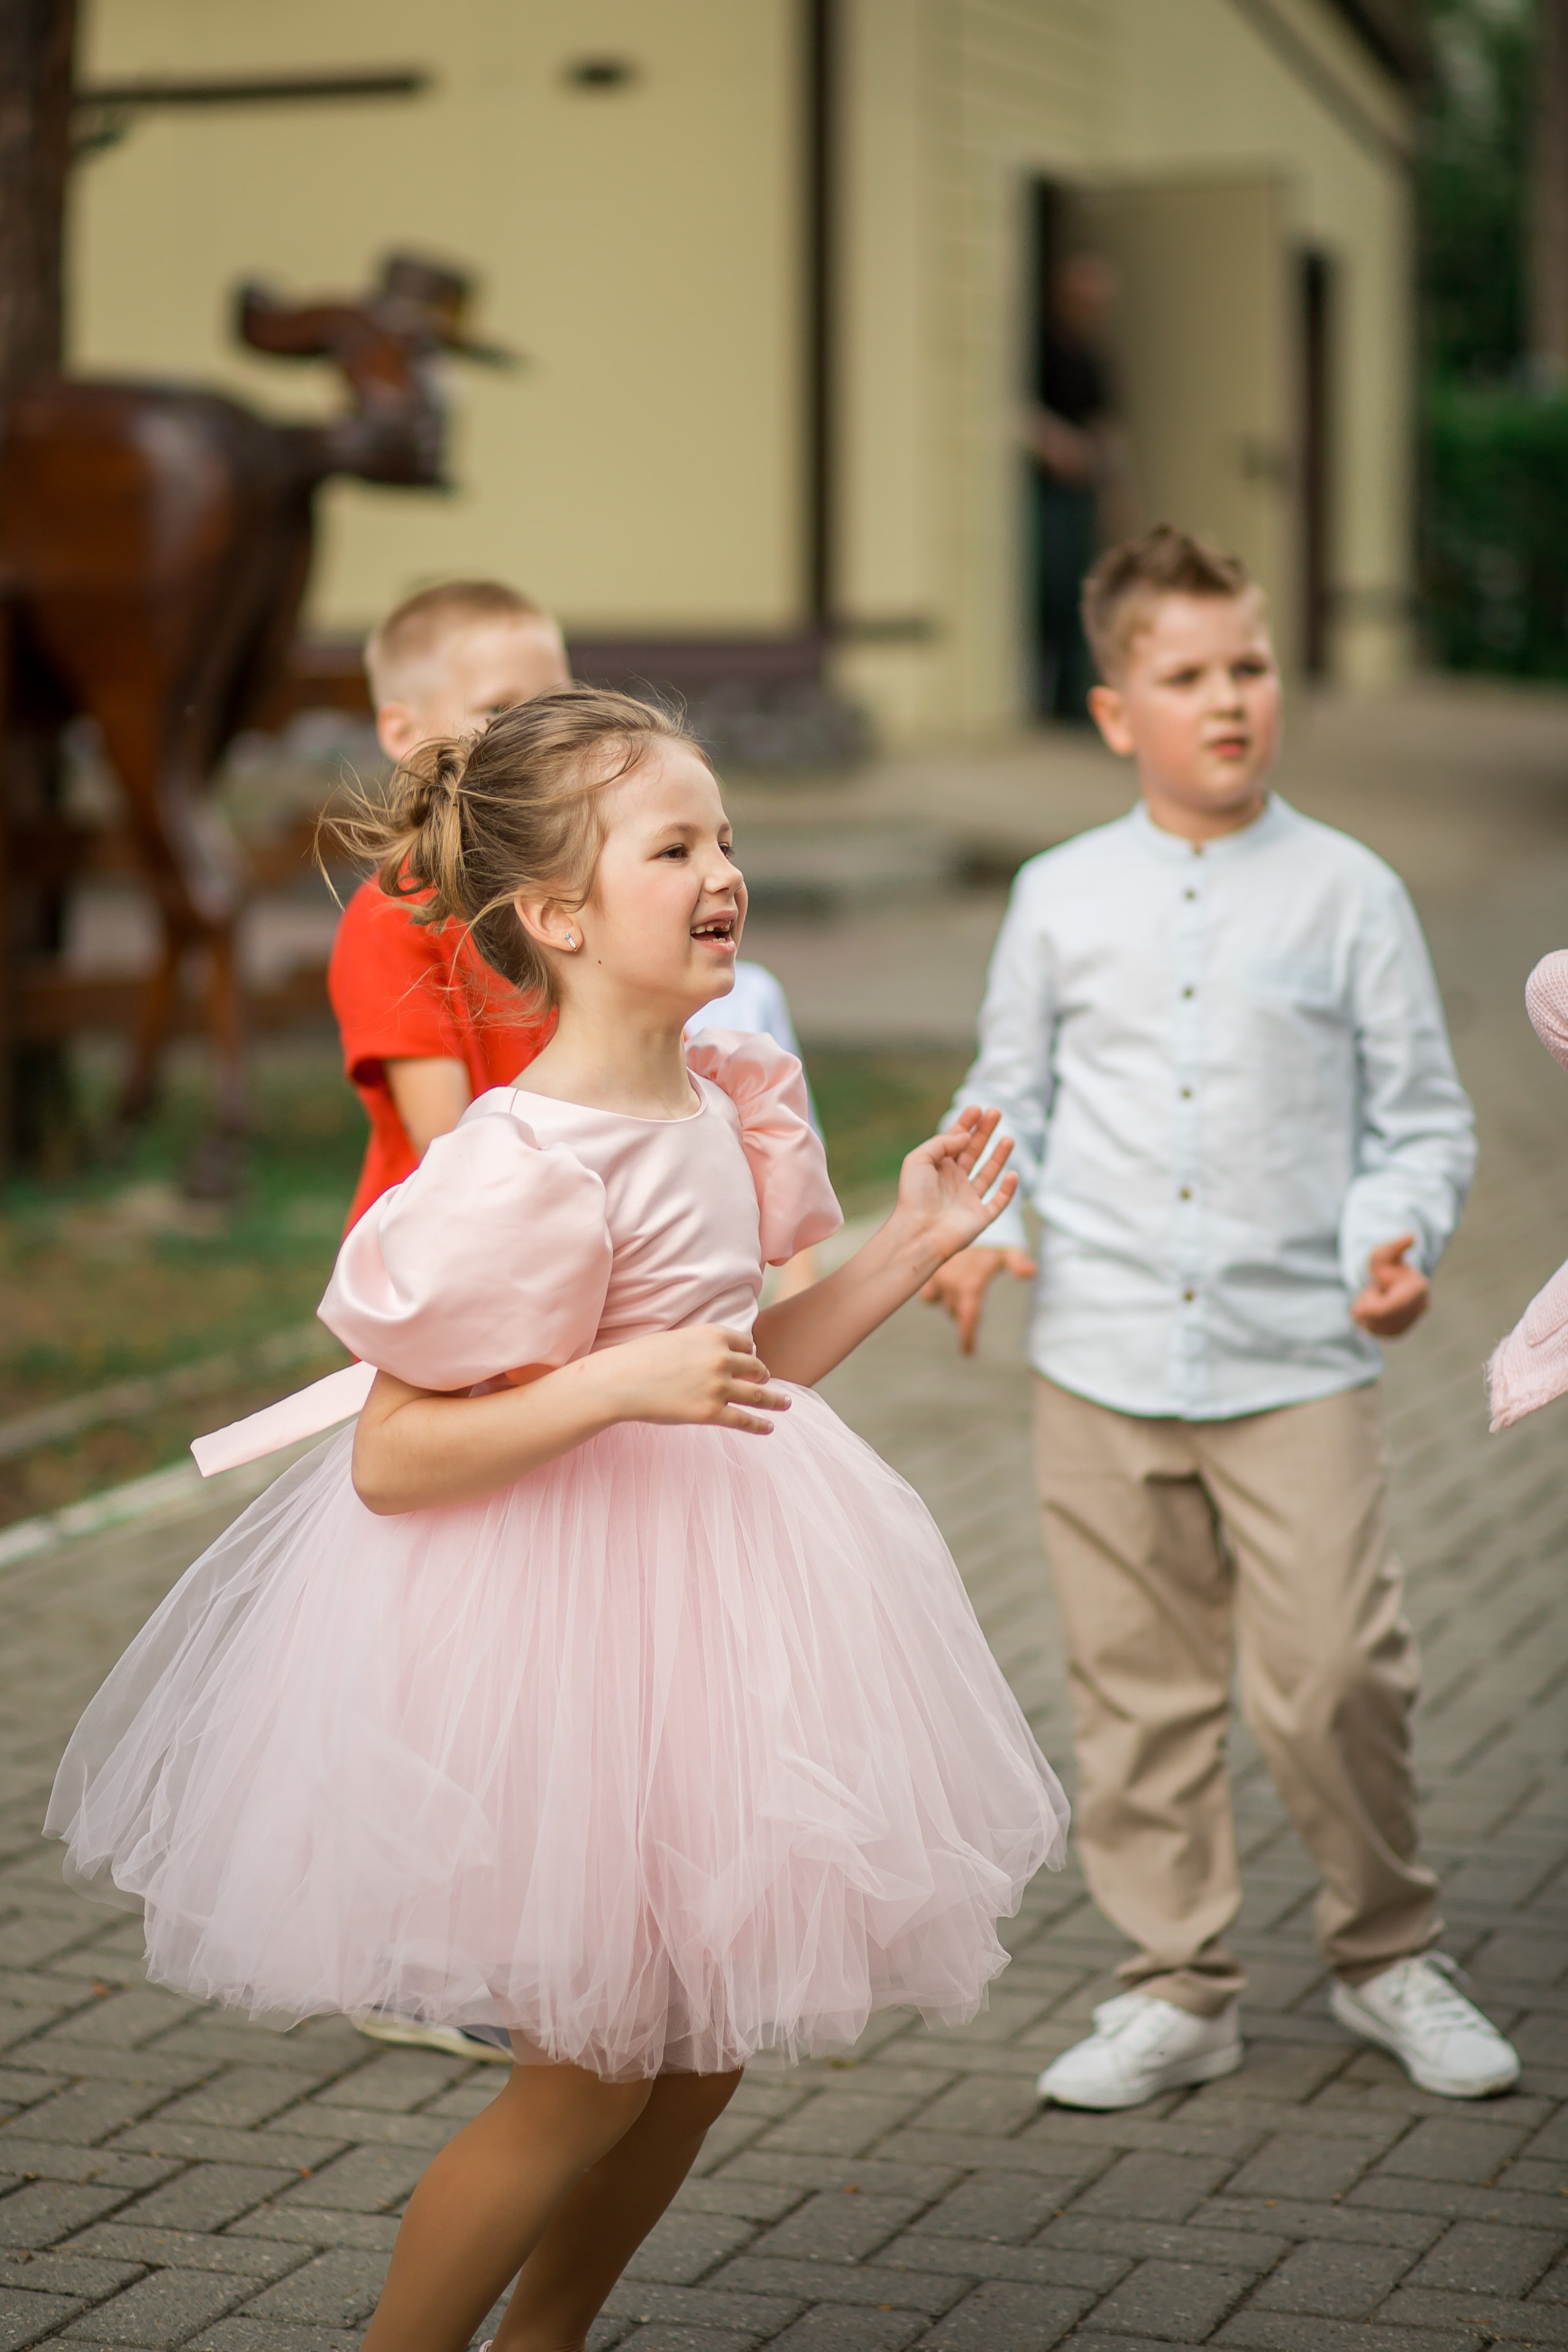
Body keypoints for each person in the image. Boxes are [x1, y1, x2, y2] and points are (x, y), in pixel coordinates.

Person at [47, 687, 1068, 2352]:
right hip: (563, 1629)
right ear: (559, 915)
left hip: (724, 1606)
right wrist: (611, 1387)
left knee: (703, 2033)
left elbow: (750, 1373)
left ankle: (547, 2338)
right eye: (677, 847)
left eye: (728, 838)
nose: (723, 870)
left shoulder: (729, 1093)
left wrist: (904, 1246)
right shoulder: (525, 1161)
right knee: (587, 2069)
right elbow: (391, 1457)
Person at [925, 526, 1521, 2108]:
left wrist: (1399, 1236)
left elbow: (1422, 1121)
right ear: (1119, 712)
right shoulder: (1056, 899)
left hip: (1296, 1358)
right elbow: (1011, 1103)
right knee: (1137, 1693)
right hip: (1102, 1362)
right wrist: (983, 1226)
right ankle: (1176, 1988)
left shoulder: (1352, 892)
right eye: (1184, 677)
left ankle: (1388, 1952)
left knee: (1334, 1675)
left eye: (1247, 666)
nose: (1228, 700)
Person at [328, 580, 571, 1234]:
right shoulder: (393, 916)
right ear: (404, 732)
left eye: (554, 705)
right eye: (498, 708)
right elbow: (448, 1140)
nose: (535, 734)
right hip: (456, 1263)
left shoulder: (576, 886)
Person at [1025, 249, 1121, 722]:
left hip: (1081, 491)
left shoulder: (1093, 357)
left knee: (1081, 598)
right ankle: (1033, 697)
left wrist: (1115, 491)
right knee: (1043, 589)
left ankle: (1071, 701)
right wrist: (1049, 440)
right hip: (1042, 491)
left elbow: (1106, 428)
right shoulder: (1035, 346)